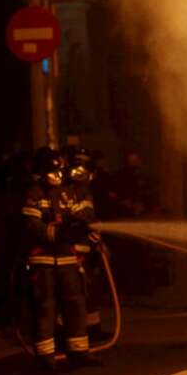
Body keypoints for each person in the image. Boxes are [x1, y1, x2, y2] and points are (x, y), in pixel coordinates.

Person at [22, 148, 101, 371]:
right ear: (41, 173)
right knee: (46, 307)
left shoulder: (66, 193)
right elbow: (31, 226)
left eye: (59, 172)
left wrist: (84, 227)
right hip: (44, 261)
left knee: (75, 303)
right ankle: (45, 358)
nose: (58, 176)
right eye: (53, 172)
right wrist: (55, 233)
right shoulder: (34, 194)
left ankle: (78, 351)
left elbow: (80, 215)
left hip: (67, 258)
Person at [63, 146, 107, 342]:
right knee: (75, 293)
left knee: (90, 290)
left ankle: (93, 328)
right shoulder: (68, 190)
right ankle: (68, 333)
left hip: (85, 248)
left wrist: (96, 237)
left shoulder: (85, 190)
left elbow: (89, 216)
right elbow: (75, 219)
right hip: (72, 250)